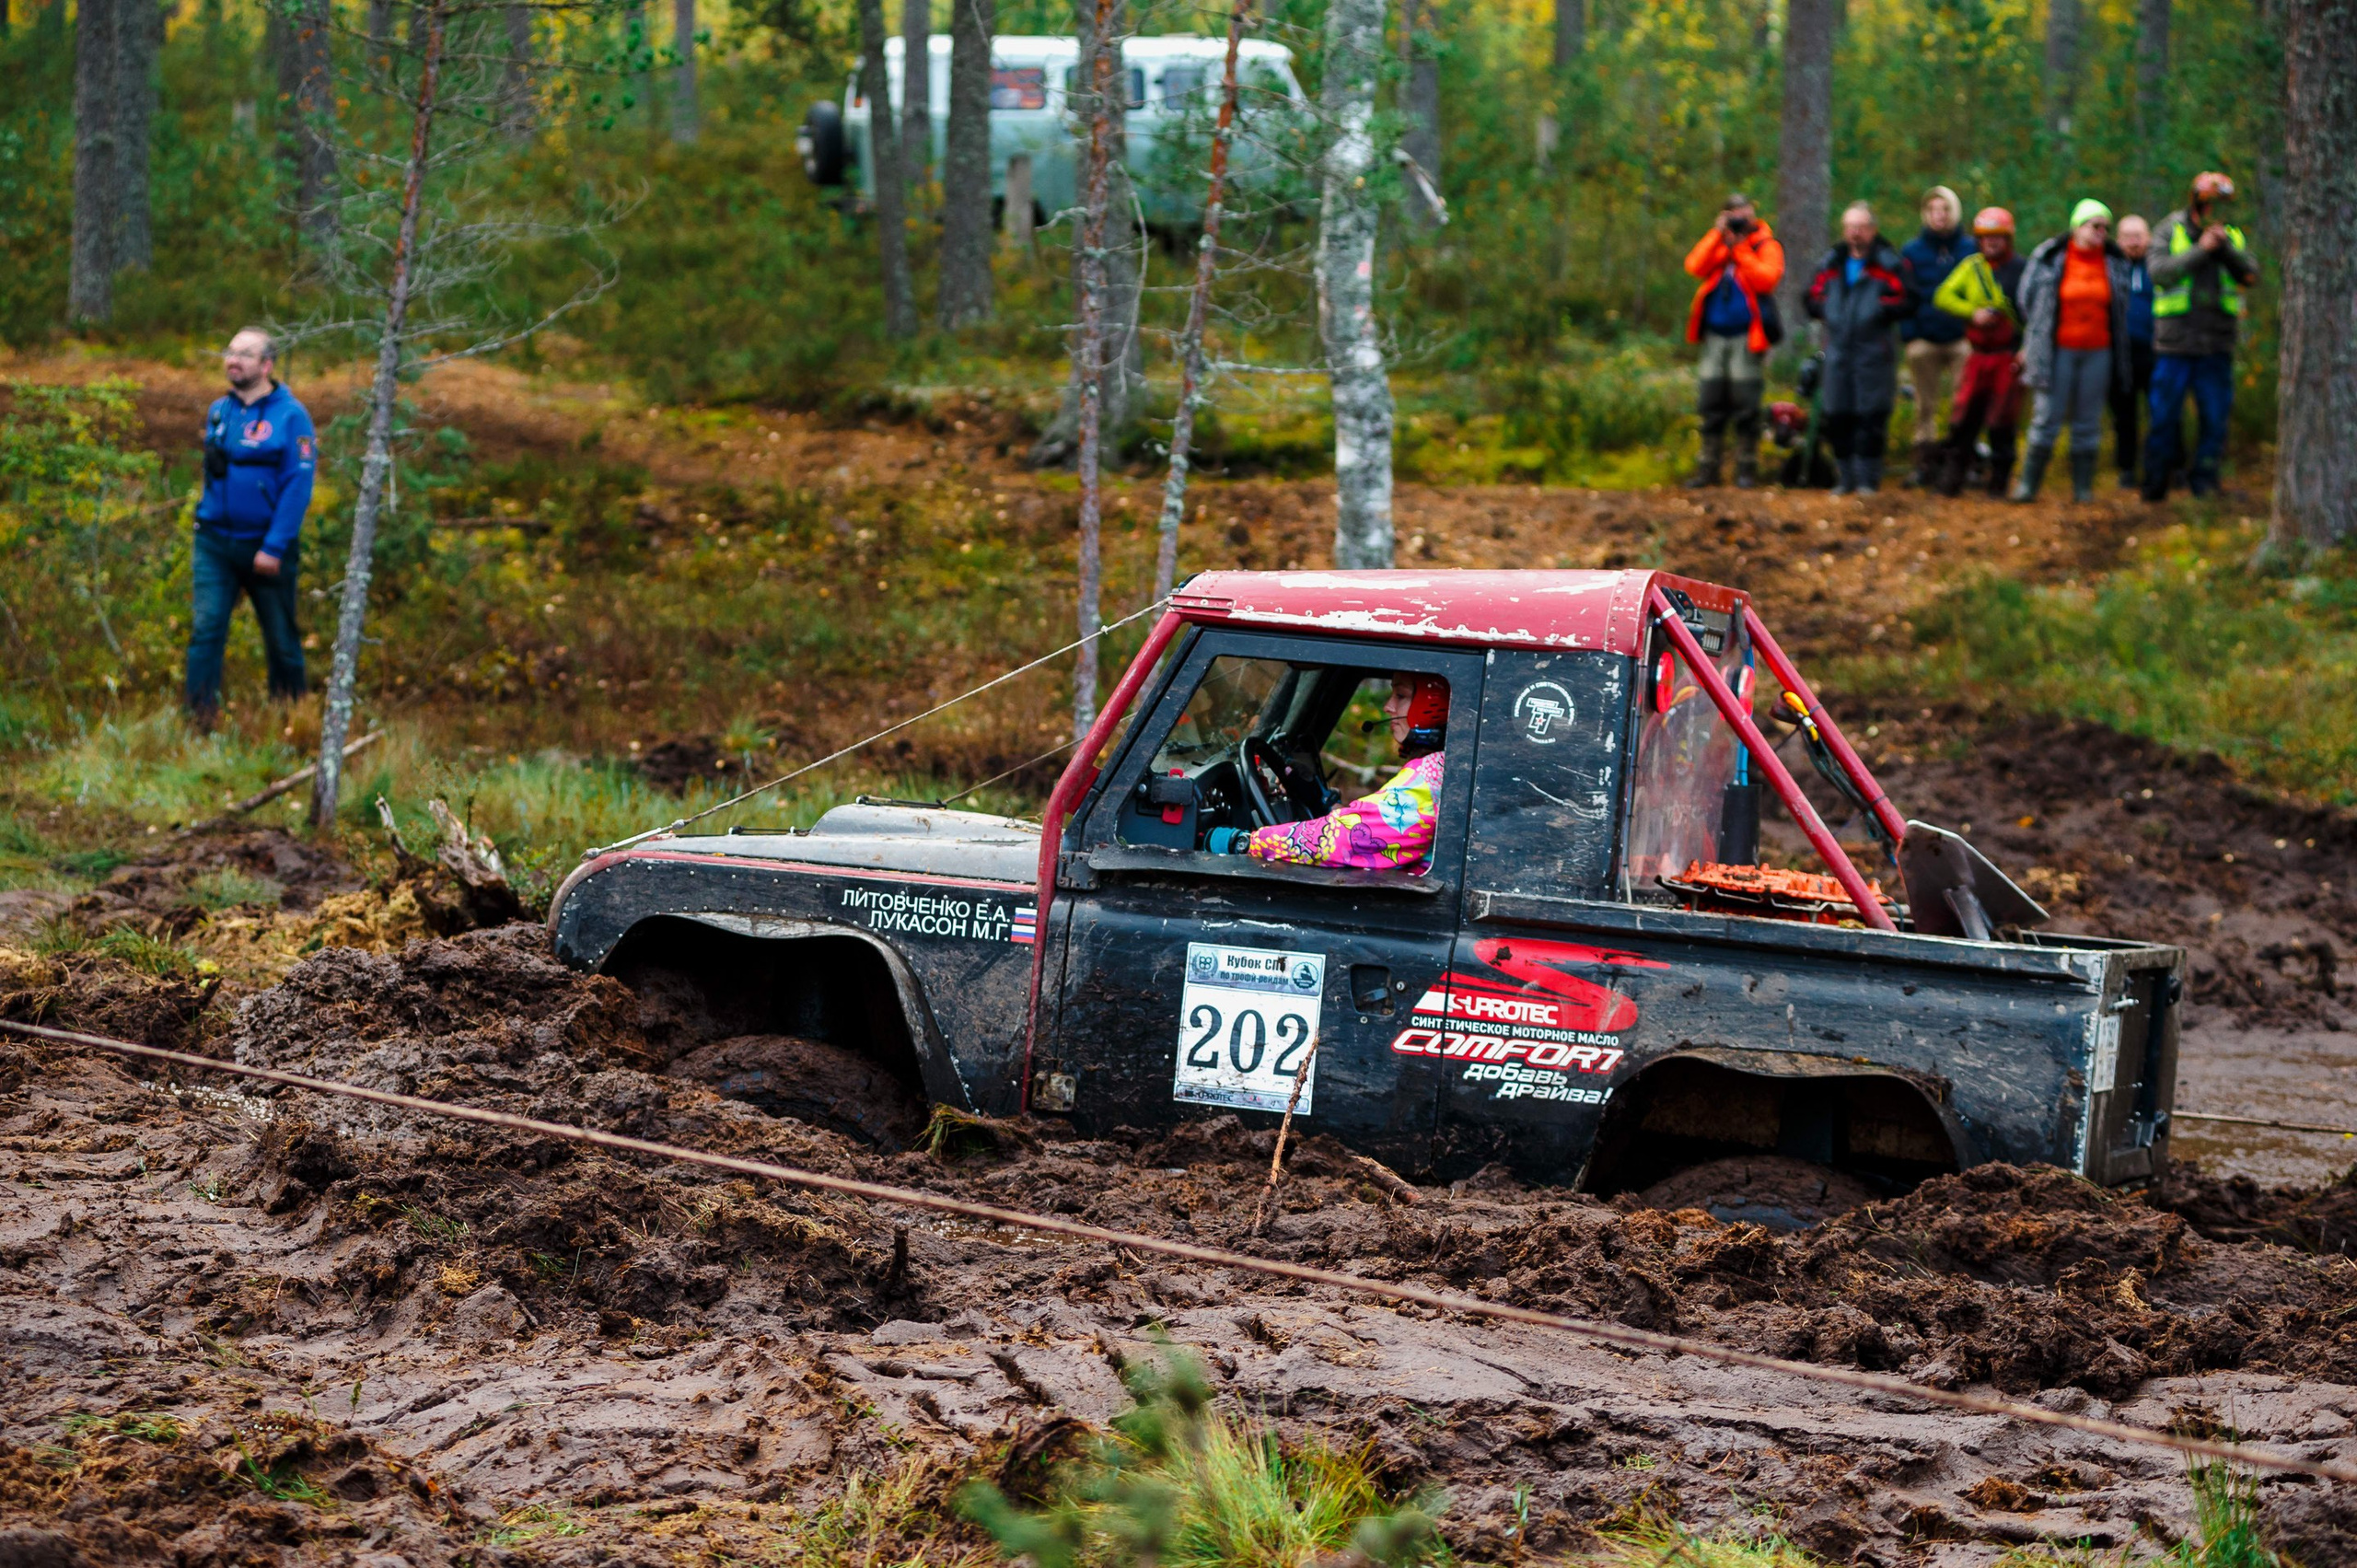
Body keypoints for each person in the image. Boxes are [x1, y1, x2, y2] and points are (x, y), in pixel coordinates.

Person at [188, 328, 318, 729]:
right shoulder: (219, 412)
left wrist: (275, 546)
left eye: (245, 354)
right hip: (215, 544)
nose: (234, 360)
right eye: (230, 352)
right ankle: (198, 720)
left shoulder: (291, 415)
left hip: (266, 549)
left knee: (281, 640)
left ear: (266, 365)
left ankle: (294, 719)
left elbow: (298, 484)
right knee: (206, 631)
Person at [1206, 675, 1446, 871]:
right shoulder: (1442, 768)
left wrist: (1244, 842)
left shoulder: (1432, 774)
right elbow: (1375, 828)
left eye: (1401, 696)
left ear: (1433, 703)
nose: (1388, 706)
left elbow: (1344, 839)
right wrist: (1322, 802)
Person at [2142, 171, 2259, 500]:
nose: (2216, 211)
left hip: (2216, 344)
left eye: (2223, 205)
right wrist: (2201, 250)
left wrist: (2223, 250)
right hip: (2175, 345)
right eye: (2211, 204)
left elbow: (2250, 275)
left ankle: (2205, 483)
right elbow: (2159, 273)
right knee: (2164, 417)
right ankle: (2155, 484)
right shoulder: (2171, 229)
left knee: (2215, 418)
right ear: (2197, 202)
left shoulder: (2233, 236)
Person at [2015, 198, 2134, 503]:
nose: (2101, 232)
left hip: (2099, 350)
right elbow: (2025, 298)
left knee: (2088, 419)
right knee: (2047, 417)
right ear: (2077, 226)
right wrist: (2038, 334)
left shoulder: (2114, 259)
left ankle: (2083, 489)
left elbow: (2123, 306)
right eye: (2095, 225)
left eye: (2106, 227)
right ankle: (2028, 485)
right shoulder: (2051, 255)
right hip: (2058, 351)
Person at [1805, 202, 1911, 495]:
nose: (1855, 233)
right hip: (1837, 349)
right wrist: (1827, 309)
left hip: (1873, 351)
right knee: (1838, 413)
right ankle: (1845, 476)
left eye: (1861, 227)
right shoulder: (1831, 263)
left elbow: (1906, 298)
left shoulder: (1887, 263)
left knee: (1871, 415)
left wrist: (1878, 310)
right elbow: (1811, 296)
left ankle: (1867, 479)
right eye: (1850, 227)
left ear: (1873, 230)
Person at [1680, 192, 1786, 490]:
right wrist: (1717, 233)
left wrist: (1740, 249)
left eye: (1744, 211)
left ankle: (1746, 470)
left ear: (1753, 212)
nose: (1739, 216)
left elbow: (1766, 279)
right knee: (1710, 403)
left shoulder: (1766, 245)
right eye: (1733, 212)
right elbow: (1694, 266)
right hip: (1714, 338)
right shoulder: (1718, 245)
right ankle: (1708, 468)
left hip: (1746, 338)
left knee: (1746, 405)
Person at [1931, 206, 2029, 497]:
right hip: (1977, 355)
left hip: (2007, 355)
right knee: (1964, 418)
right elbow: (1942, 296)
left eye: (1998, 237)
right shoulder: (1972, 267)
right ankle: (1951, 480)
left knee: (2003, 419)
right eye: (1986, 238)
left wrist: (2026, 350)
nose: (1992, 243)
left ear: (2008, 239)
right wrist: (1972, 313)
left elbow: (2034, 314)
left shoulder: (2022, 270)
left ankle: (1999, 483)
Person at [1898, 185, 1973, 486]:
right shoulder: (1912, 251)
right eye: (1933, 210)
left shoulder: (1970, 248)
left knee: (1964, 402)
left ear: (1954, 212)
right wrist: (1910, 336)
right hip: (1924, 338)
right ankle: (1925, 462)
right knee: (1924, 403)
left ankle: (1961, 460)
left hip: (1961, 338)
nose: (1939, 215)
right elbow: (1904, 296)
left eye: (1945, 209)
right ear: (1925, 214)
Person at [2108, 215, 2156, 489]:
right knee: (2124, 416)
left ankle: (2162, 465)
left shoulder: (2158, 267)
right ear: (2119, 239)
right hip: (2120, 355)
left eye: (2138, 235)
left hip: (2155, 351)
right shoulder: (2112, 267)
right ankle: (2126, 469)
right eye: (2127, 236)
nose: (2133, 241)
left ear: (2148, 238)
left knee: (2160, 412)